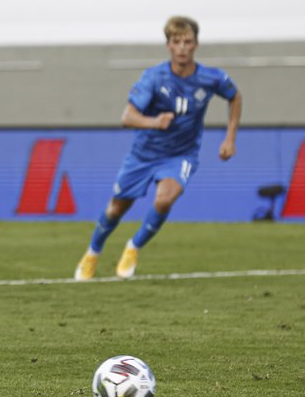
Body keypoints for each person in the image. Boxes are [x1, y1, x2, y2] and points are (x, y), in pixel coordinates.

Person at [74, 16, 242, 281]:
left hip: (181, 154)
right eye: (177, 42)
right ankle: (92, 253)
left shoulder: (211, 78)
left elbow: (234, 96)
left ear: (196, 44)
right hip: (144, 154)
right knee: (116, 209)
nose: (182, 48)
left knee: (164, 199)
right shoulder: (153, 77)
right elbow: (127, 117)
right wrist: (155, 122)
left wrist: (230, 137)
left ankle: (133, 247)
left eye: (188, 42)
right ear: (168, 46)